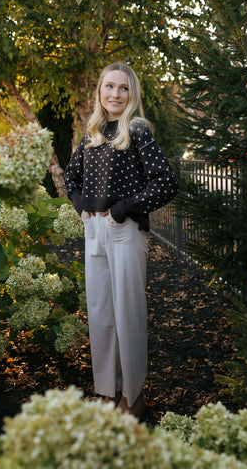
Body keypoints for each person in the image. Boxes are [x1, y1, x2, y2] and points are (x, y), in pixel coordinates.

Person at [64, 62, 179, 418]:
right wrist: (83, 205)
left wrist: (122, 209)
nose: (115, 94)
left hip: (124, 230)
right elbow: (71, 178)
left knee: (128, 313)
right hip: (94, 230)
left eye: (123, 88)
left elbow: (165, 181)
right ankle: (107, 391)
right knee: (100, 313)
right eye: (109, 87)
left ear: (132, 94)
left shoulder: (137, 130)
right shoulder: (92, 132)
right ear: (99, 92)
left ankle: (134, 394)